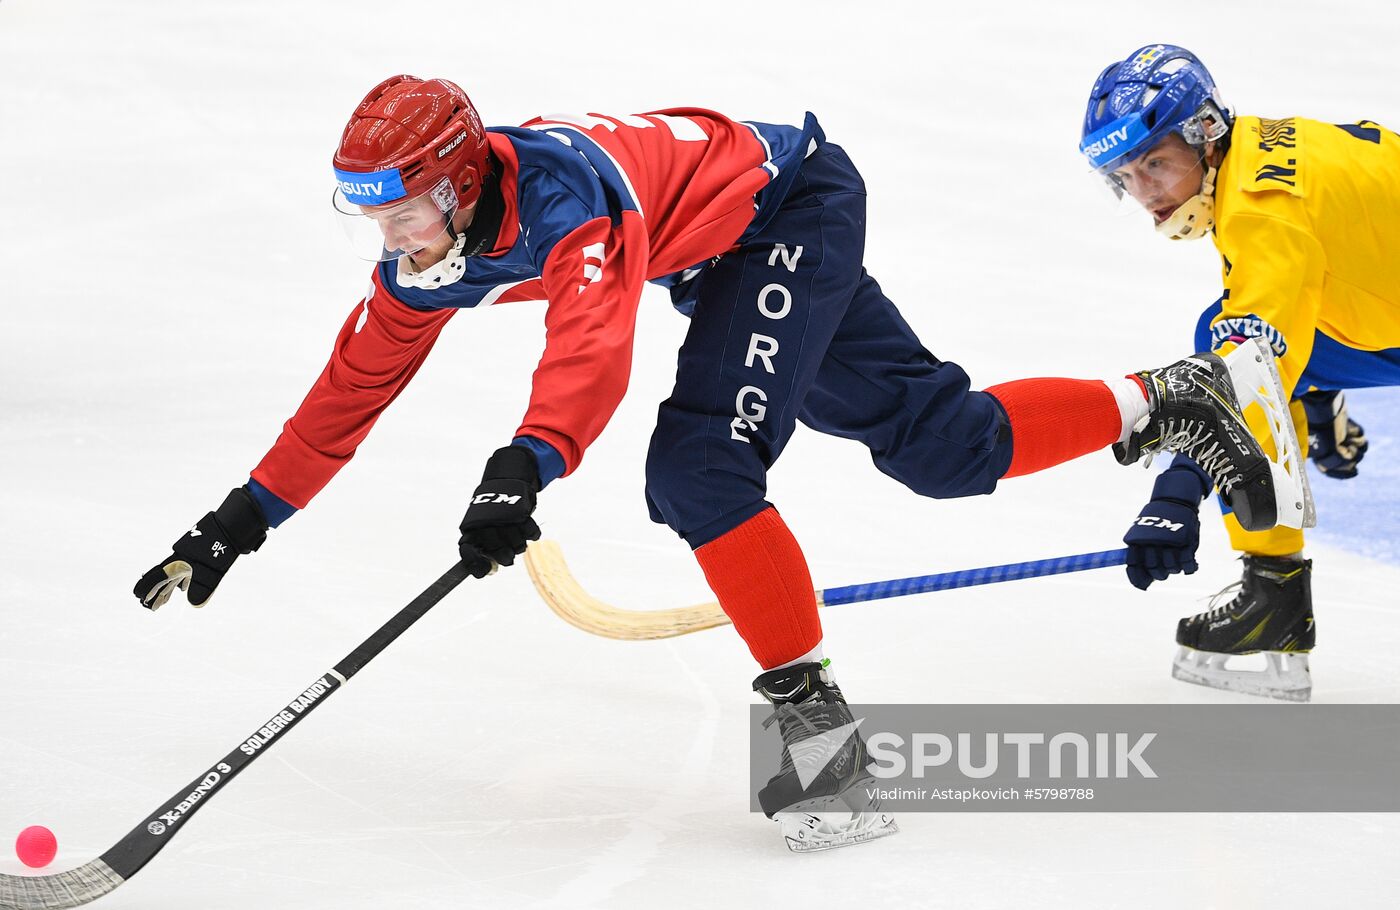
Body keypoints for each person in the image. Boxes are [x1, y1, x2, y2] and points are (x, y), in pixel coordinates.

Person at [134, 75, 1292, 851]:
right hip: (740, 236)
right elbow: (353, 384)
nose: (388, 234)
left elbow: (588, 350)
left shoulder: (560, 200)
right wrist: (243, 514)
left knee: (700, 471)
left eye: (402, 207)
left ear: (461, 178)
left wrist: (522, 466)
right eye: (367, 212)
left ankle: (822, 749)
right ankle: (1174, 396)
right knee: (944, 447)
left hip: (783, 210)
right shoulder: (437, 244)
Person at [1080, 44, 1400, 702]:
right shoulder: (1259, 151)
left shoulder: (1260, 211)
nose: (1145, 195)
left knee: (1224, 347)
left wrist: (1177, 492)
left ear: (1204, 133)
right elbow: (1336, 264)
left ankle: (1272, 596)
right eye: (1126, 174)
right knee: (1227, 335)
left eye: (1156, 165)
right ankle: (1275, 587)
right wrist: (1312, 394)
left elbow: (1244, 372)